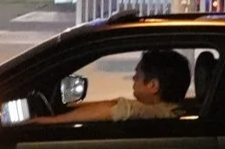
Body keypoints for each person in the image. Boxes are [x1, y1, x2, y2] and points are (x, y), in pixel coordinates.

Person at [40, 48, 192, 122]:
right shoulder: (169, 111)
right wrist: (67, 109)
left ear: (153, 85)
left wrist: (51, 122)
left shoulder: (158, 115)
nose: (133, 78)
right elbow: (113, 103)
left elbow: (119, 108)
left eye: (138, 75)